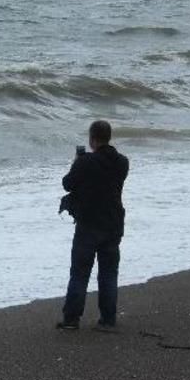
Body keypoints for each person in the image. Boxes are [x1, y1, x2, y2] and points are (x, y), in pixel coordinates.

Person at [57, 120, 129, 330]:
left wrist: (77, 162)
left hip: (88, 224)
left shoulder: (85, 162)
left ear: (92, 138)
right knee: (108, 272)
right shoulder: (122, 162)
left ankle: (71, 319)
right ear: (109, 137)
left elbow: (67, 183)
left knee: (80, 272)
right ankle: (108, 319)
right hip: (113, 224)